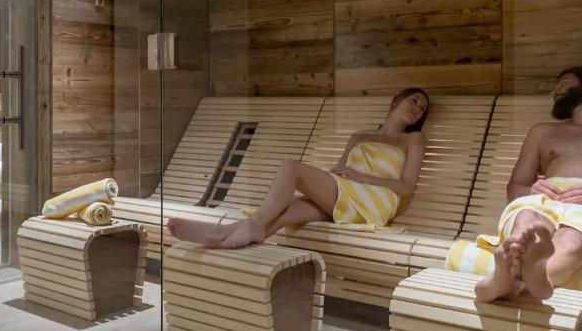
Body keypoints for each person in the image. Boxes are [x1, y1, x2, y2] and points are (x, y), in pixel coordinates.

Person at [167, 88, 429, 249]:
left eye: (422, 109)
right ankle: (221, 234)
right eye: (414, 100)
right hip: (347, 194)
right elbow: (341, 169)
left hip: (375, 200)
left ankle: (252, 225)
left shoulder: (413, 140)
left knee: (291, 167)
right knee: (287, 210)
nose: (417, 108)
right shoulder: (359, 136)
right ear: (397, 101)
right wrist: (323, 182)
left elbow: (406, 187)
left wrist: (362, 177)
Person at [474, 67, 582, 303]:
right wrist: (530, 190)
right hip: (544, 199)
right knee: (527, 223)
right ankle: (534, 276)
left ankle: (507, 281)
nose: (554, 92)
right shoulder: (543, 131)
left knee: (572, 241)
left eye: (563, 83)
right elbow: (515, 188)